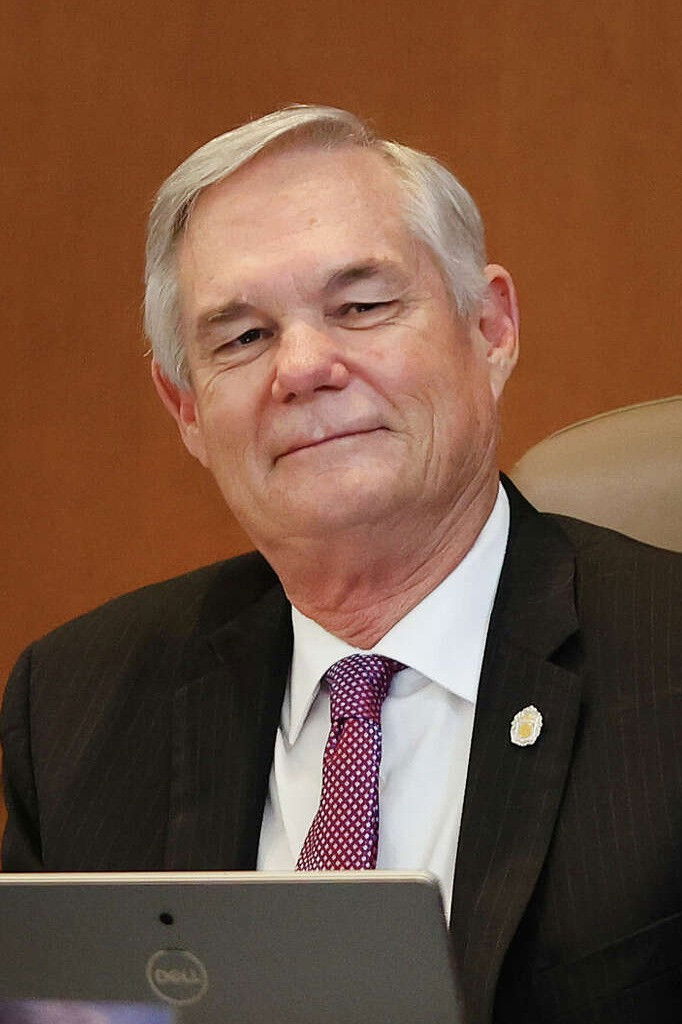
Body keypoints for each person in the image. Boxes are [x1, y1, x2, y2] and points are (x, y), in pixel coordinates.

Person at [1, 106, 680, 1024]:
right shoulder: (77, 705)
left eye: (361, 307)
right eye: (243, 338)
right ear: (187, 409)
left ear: (490, 327)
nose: (304, 367)